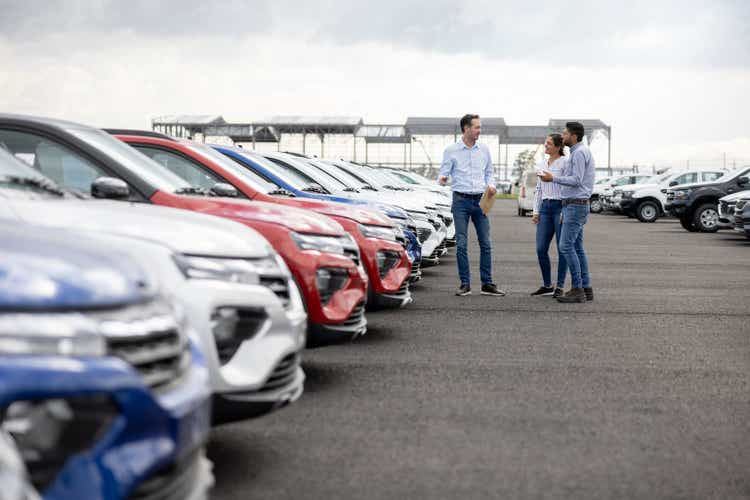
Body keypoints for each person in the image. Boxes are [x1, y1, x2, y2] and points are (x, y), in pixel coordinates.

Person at [438, 114, 505, 297]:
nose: (479, 131)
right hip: (460, 201)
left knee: (486, 243)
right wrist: (442, 179)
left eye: (480, 127)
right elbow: (443, 173)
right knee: (461, 244)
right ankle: (465, 283)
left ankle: (487, 284)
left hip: (480, 201)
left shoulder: (483, 149)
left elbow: (489, 172)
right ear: (466, 129)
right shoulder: (451, 150)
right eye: (476, 127)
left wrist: (491, 185)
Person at [538, 121, 595, 303]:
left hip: (576, 205)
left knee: (565, 246)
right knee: (577, 248)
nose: (562, 136)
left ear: (574, 136)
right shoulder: (579, 152)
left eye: (565, 133)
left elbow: (577, 180)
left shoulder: (578, 153)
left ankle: (577, 289)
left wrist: (552, 178)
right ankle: (586, 288)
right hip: (575, 204)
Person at [530, 134, 567, 298]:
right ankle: (547, 285)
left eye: (549, 144)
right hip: (545, 208)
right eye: (546, 143)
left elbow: (568, 187)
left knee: (562, 249)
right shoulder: (542, 164)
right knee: (540, 249)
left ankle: (560, 286)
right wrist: (535, 211)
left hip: (560, 207)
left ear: (558, 147)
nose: (546, 146)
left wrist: (565, 211)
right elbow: (539, 188)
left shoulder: (565, 163)